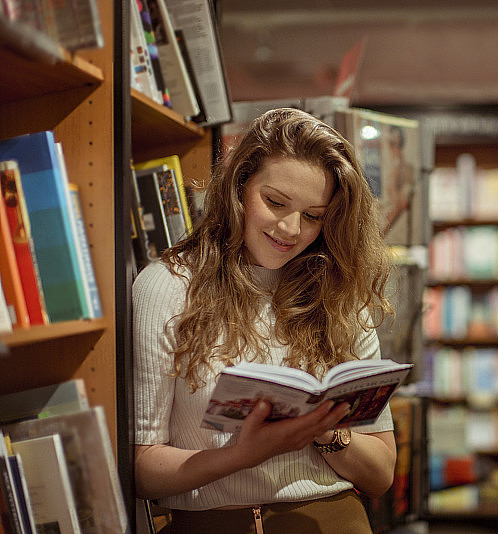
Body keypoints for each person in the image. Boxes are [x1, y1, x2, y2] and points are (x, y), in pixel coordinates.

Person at [133, 107, 397, 534]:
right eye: (275, 202)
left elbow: (381, 474)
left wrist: (325, 431)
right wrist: (242, 454)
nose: (291, 229)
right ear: (238, 188)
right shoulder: (167, 287)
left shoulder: (339, 292)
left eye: (314, 215)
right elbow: (143, 470)